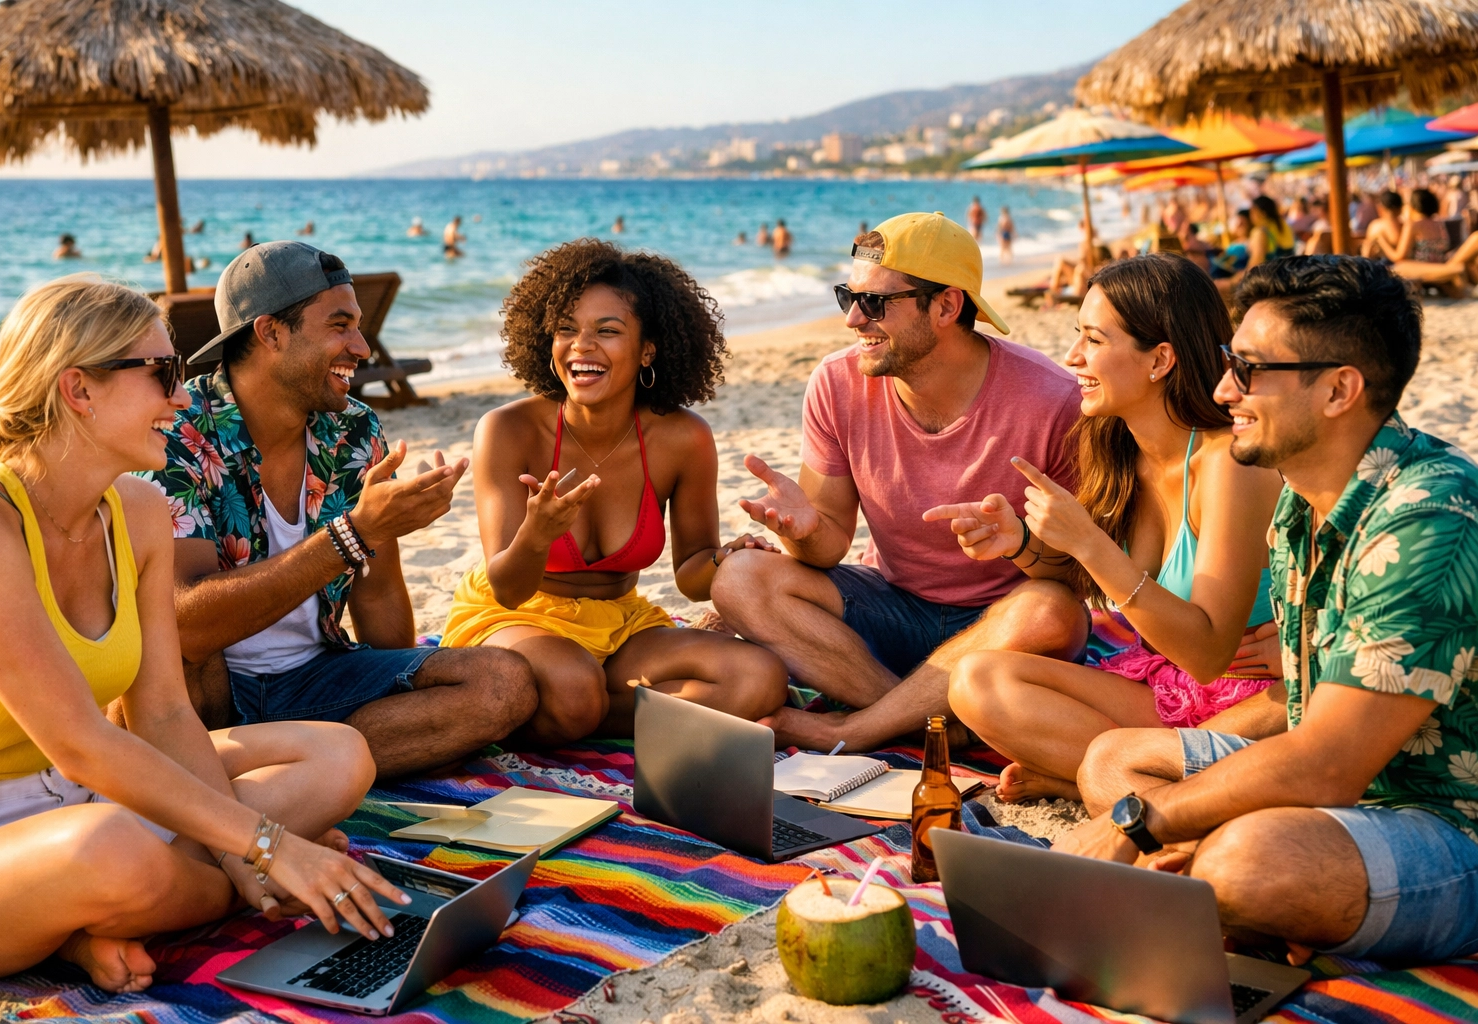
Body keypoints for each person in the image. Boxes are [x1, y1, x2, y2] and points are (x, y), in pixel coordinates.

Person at [0, 276, 411, 992]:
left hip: (75, 800)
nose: (185, 398)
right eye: (164, 375)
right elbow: (79, 741)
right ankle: (83, 926)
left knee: (339, 754)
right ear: (79, 389)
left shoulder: (136, 511)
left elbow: (160, 711)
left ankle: (90, 920)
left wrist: (242, 853)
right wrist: (269, 850)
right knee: (113, 852)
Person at [1056, 255, 1478, 966]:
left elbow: (1328, 764)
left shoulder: (1428, 519)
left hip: (1445, 821)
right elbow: (1304, 713)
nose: (1223, 391)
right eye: (1229, 364)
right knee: (1109, 759)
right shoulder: (1296, 505)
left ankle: (1223, 880)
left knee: (1248, 862)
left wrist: (1146, 822)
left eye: (1249, 371)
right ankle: (1226, 885)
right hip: (1343, 791)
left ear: (1340, 390)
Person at [141, 242, 537, 775]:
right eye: (340, 326)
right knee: (179, 656)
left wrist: (402, 678)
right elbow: (186, 624)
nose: (362, 347)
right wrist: (350, 534)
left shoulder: (353, 429)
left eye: (359, 326)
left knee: (503, 684)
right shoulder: (182, 433)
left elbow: (378, 592)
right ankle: (294, 762)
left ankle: (289, 762)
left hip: (316, 678)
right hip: (206, 696)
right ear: (270, 333)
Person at [711, 214, 1086, 752]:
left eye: (876, 303)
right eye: (848, 297)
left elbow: (1077, 572)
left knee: (1052, 611)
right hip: (891, 612)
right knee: (739, 579)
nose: (853, 320)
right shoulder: (835, 383)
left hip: (1002, 630)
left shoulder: (1053, 400)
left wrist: (1023, 544)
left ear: (947, 306)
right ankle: (929, 724)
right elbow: (829, 543)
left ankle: (860, 726)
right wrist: (803, 530)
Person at [941, 254, 1284, 804]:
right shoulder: (1120, 447)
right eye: (1077, 335)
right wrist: (1023, 546)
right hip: (1168, 688)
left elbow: (1207, 652)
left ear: (1160, 360)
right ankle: (1118, 776)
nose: (1073, 357)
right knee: (977, 681)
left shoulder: (1227, 463)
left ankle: (1103, 778)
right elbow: (1098, 578)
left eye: (1094, 340)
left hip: (1259, 697)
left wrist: (1088, 540)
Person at [442, 240, 786, 743]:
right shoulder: (506, 430)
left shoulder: (683, 439)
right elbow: (508, 588)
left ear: (648, 347)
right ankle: (582, 702)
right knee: (575, 686)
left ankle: (576, 710)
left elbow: (691, 576)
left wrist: (726, 558)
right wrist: (536, 536)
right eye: (566, 330)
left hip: (621, 624)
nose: (581, 346)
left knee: (760, 678)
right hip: (518, 617)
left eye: (607, 331)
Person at [1214, 197, 1294, 297]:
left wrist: (1233, 281)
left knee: (1216, 287)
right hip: (1287, 274)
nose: (1251, 216)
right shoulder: (1284, 225)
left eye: (1252, 211)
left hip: (1269, 279)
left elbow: (1255, 264)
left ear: (1262, 213)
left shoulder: (1260, 232)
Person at [1359, 189, 1404, 261]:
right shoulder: (1405, 226)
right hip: (1400, 264)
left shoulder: (1375, 226)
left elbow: (1367, 253)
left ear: (1381, 208)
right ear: (1400, 208)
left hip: (1379, 265)